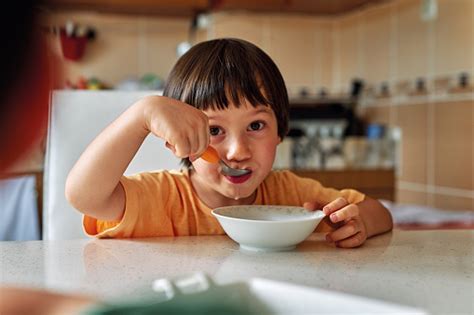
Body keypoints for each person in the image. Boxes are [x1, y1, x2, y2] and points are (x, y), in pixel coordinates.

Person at [66, 38, 393, 248]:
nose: (237, 152)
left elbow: (379, 211)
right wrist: (141, 115)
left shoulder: (290, 196)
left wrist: (358, 222)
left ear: (280, 130)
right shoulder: (161, 197)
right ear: (178, 140)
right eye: (214, 130)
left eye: (256, 125)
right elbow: (83, 195)